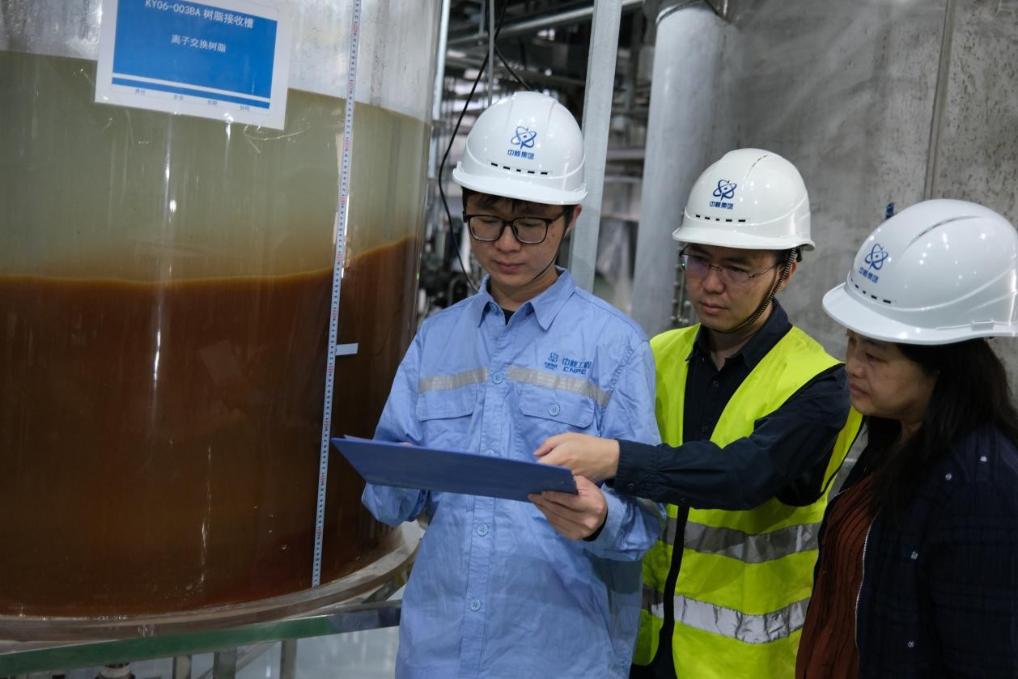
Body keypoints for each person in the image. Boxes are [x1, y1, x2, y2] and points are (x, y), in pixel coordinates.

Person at [361, 91, 662, 678]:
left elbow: (647, 521)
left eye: (529, 224)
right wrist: (392, 475)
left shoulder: (616, 348)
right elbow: (391, 501)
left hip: (556, 657)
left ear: (571, 218)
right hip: (439, 655)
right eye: (488, 218)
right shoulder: (437, 339)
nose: (504, 243)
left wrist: (602, 518)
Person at [534, 148, 862, 679]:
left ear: (786, 271)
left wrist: (615, 458)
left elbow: (743, 475)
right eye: (700, 259)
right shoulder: (655, 354)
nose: (710, 284)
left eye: (738, 267)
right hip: (637, 649)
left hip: (741, 666)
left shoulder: (819, 383)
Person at [796, 198, 1018, 678]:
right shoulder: (896, 437)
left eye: (875, 355)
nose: (852, 365)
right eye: (852, 342)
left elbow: (984, 658)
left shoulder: (983, 488)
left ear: (941, 366)